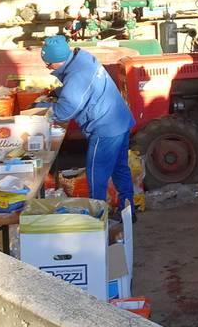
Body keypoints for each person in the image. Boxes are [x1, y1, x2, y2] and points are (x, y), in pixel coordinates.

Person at [43, 34, 135, 213]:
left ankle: (98, 218)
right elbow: (81, 88)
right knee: (120, 169)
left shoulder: (76, 75)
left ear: (58, 61)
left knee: (96, 176)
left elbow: (67, 108)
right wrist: (59, 92)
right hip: (120, 119)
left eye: (48, 64)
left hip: (105, 128)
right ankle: (128, 212)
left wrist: (46, 114)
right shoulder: (82, 58)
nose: (47, 67)